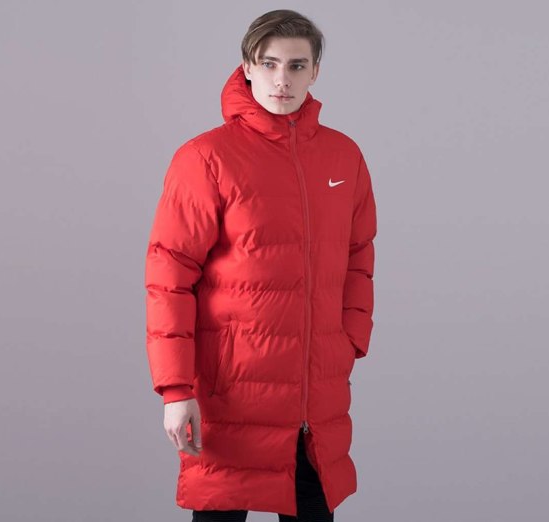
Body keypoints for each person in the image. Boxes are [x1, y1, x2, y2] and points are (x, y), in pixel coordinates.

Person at [144, 9, 377, 521]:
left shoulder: (344, 157)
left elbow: (359, 257)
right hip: (232, 395)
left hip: (314, 399)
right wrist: (176, 390)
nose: (282, 79)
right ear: (247, 67)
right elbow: (169, 278)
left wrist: (348, 342)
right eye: (269, 64)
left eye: (296, 66)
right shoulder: (206, 158)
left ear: (315, 72)